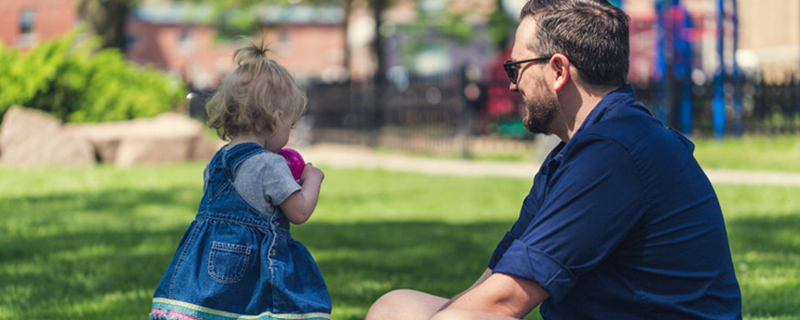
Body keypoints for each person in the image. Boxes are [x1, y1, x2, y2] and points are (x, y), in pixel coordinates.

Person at [365, 0, 742, 319]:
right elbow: (497, 280)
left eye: (517, 68)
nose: (512, 85)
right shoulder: (583, 150)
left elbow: (505, 302)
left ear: (559, 70)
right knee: (397, 307)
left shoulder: (614, 153)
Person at [150, 40, 331, 320]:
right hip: (248, 274)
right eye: (290, 125)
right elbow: (300, 211)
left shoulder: (217, 161)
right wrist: (312, 179)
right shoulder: (271, 165)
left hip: (204, 274)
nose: (289, 134)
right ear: (274, 120)